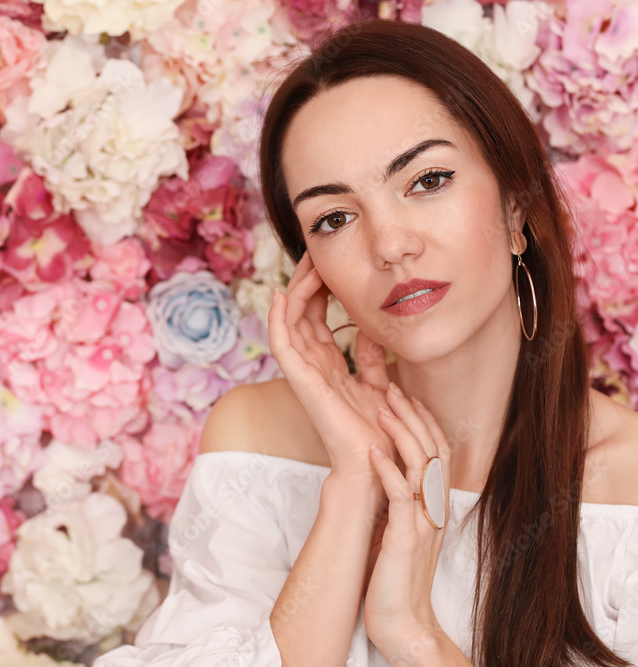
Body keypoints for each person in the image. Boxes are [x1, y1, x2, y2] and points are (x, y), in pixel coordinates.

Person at [92, 18, 638, 667]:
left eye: (428, 180)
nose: (390, 244)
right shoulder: (261, 445)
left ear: (518, 206)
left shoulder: (623, 488)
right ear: (312, 272)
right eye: (335, 218)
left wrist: (414, 635)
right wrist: (352, 484)